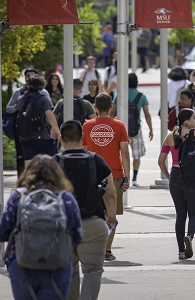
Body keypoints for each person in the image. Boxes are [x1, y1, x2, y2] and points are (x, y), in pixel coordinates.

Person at [0, 155, 82, 300]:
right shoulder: (65, 198)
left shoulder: (17, 197)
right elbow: (77, 235)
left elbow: (2, 233)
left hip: (21, 264)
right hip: (57, 264)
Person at [55, 120, 118, 300]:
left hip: (64, 224)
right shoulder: (96, 160)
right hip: (94, 223)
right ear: (83, 138)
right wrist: (111, 217)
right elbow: (111, 193)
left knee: (68, 270)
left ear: (61, 138)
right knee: (92, 270)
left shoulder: (54, 162)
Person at [82, 92, 130, 262]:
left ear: (95, 107)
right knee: (111, 215)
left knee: (95, 215)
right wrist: (127, 176)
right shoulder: (119, 125)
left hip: (92, 176)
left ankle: (95, 248)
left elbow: (84, 151)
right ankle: (107, 250)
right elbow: (124, 152)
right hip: (115, 175)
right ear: (111, 107)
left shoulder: (87, 126)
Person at [158, 108, 195, 260]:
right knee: (194, 214)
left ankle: (181, 251)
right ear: (186, 120)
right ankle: (190, 236)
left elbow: (160, 161)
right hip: (192, 178)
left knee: (180, 216)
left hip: (176, 176)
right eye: (194, 118)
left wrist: (169, 177)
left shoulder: (169, 137)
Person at [6, 68, 51, 175]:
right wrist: (17, 107)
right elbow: (8, 108)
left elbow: (48, 111)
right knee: (23, 157)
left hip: (38, 131)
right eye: (28, 76)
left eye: (32, 76)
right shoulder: (19, 93)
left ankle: (32, 181)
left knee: (35, 159)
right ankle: (25, 180)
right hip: (24, 130)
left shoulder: (44, 93)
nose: (30, 78)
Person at [112, 73, 153, 187]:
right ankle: (134, 178)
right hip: (136, 130)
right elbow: (147, 114)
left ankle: (122, 175)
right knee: (136, 155)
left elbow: (112, 111)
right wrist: (151, 129)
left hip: (120, 130)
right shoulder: (141, 96)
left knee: (120, 154)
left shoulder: (119, 95)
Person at [17, 74, 61, 167]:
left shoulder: (21, 99)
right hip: (42, 135)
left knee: (29, 164)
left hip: (25, 136)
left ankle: (30, 180)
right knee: (48, 163)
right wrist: (58, 133)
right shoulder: (44, 99)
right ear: (41, 85)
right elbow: (50, 117)